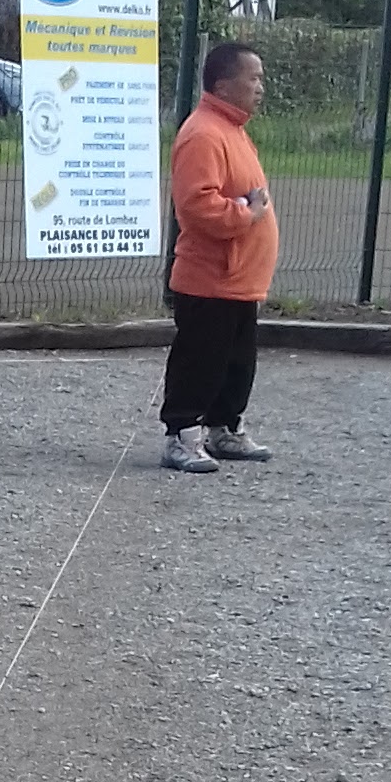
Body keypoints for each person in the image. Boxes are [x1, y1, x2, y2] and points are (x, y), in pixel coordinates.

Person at [161, 40, 279, 472]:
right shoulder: (204, 134)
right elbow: (197, 206)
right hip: (210, 278)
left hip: (238, 280)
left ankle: (224, 428)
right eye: (254, 78)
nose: (261, 87)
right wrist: (248, 212)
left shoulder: (232, 129)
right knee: (200, 362)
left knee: (236, 363)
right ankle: (181, 435)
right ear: (224, 85)